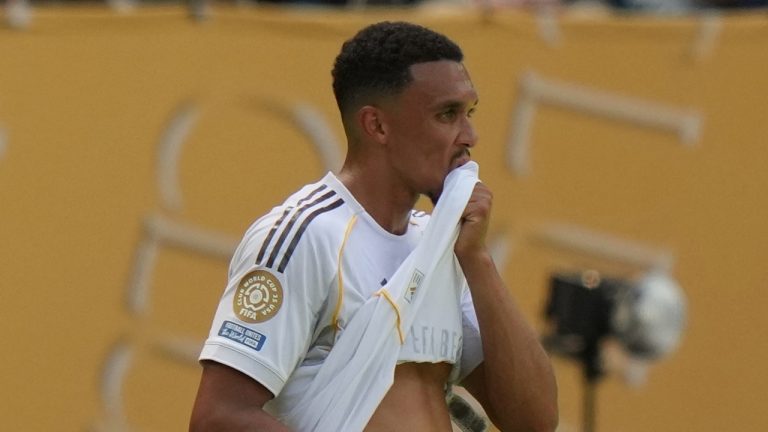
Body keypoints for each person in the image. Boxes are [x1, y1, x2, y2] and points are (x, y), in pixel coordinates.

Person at [189, 21, 558, 432]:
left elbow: (534, 422)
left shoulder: (441, 248)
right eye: (447, 114)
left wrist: (478, 259)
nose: (469, 135)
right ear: (377, 126)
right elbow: (218, 418)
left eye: (469, 113)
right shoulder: (306, 235)